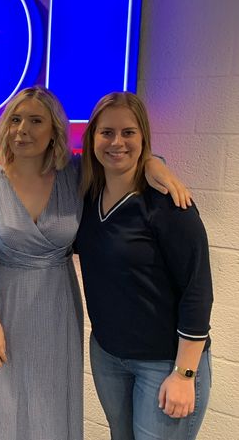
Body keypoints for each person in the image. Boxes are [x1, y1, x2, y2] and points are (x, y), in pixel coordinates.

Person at [0, 86, 193, 440]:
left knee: (50, 403)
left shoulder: (75, 173)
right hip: (2, 310)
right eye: (15, 120)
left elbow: (121, 157)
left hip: (58, 308)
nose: (23, 130)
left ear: (55, 129)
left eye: (36, 121)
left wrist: (155, 163)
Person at [75, 92, 212, 440]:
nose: (116, 142)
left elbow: (197, 290)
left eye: (128, 132)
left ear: (143, 137)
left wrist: (184, 374)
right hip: (108, 355)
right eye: (106, 132)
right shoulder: (87, 197)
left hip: (164, 363)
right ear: (92, 137)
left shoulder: (169, 203)